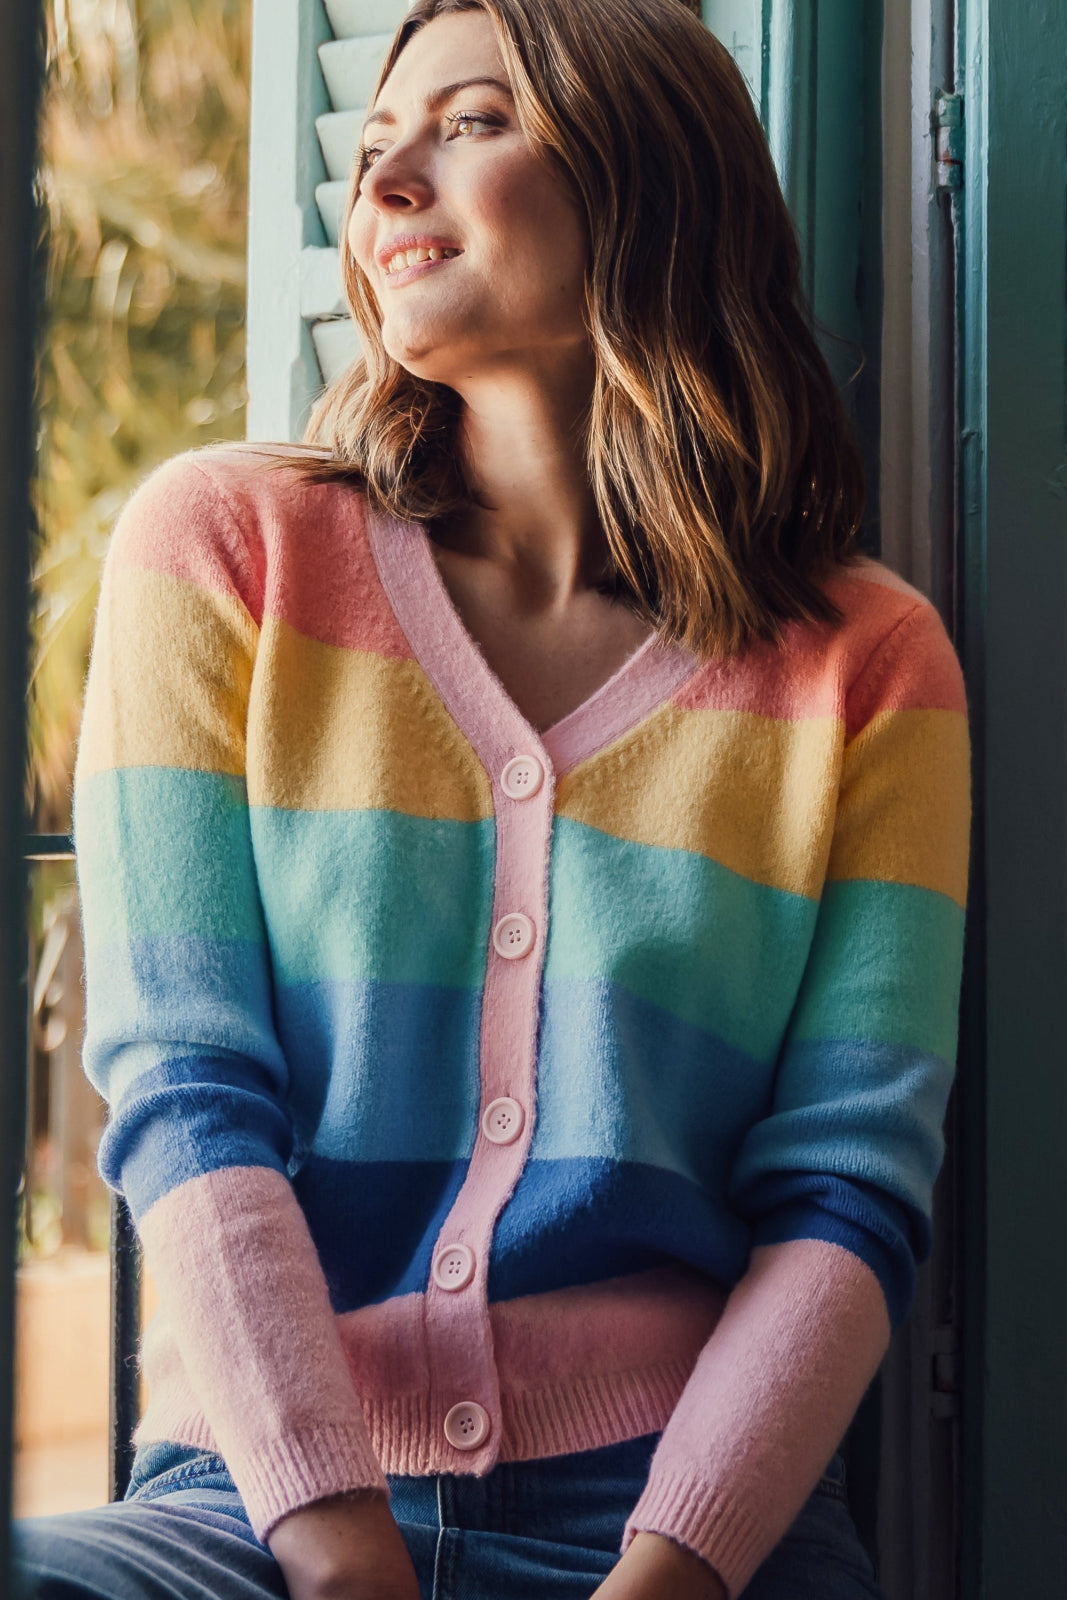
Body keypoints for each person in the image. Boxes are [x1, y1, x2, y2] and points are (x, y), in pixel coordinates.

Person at [15, 0, 970, 1596]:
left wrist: (668, 1573)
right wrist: (338, 1550)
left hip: (693, 1535)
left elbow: (847, 1196)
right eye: (374, 145)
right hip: (254, 1513)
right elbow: (185, 1087)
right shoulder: (228, 550)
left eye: (470, 125)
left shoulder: (865, 661)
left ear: (650, 176)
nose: (388, 180)